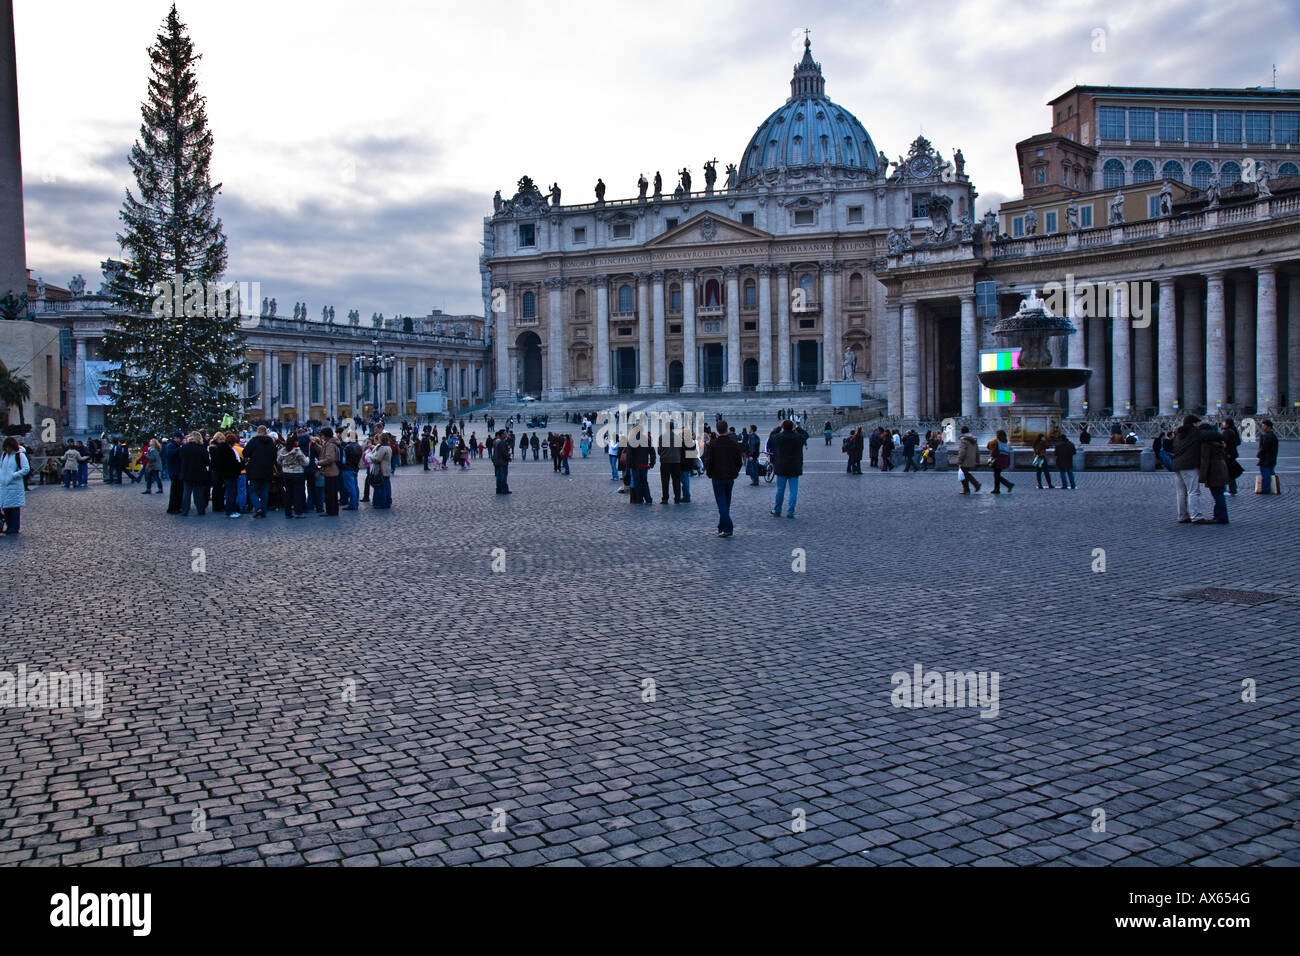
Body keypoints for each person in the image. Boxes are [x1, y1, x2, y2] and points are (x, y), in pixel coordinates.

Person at [702, 418, 743, 537]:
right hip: (730, 476)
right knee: (726, 502)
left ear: (717, 430)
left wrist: (709, 473)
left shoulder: (713, 444)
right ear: (727, 429)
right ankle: (721, 526)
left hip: (717, 476)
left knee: (721, 503)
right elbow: (739, 461)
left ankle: (728, 527)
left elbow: (708, 461)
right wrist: (735, 472)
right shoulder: (733, 443)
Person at [1171, 415, 1208, 523]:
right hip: (1189, 465)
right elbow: (1212, 435)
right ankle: (1196, 516)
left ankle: (1182, 516)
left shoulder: (1179, 434)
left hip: (1177, 465)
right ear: (1194, 423)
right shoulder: (1195, 433)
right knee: (1193, 491)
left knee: (1181, 493)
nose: (1199, 425)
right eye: (1198, 423)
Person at [768, 419, 804, 518]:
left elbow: (771, 435)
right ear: (792, 426)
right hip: (795, 466)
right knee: (793, 491)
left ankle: (777, 510)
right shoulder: (798, 437)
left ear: (783, 427)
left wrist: (779, 426)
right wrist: (796, 427)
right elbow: (806, 435)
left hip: (782, 466)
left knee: (780, 490)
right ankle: (790, 512)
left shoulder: (779, 437)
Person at [243, 425, 277, 518]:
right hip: (267, 470)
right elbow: (275, 456)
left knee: (252, 490)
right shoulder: (271, 442)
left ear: (258, 431)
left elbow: (245, 452)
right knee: (264, 491)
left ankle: (258, 507)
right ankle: (264, 512)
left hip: (255, 469)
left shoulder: (253, 441)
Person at [1200, 425, 1230, 523]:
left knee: (1217, 495)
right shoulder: (1219, 443)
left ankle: (1221, 517)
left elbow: (1205, 460)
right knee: (1219, 493)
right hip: (1222, 468)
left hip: (1213, 470)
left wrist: (1202, 477)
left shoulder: (1207, 444)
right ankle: (1218, 515)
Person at [0, 437, 31, 534]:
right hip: (4, 485)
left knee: (14, 508)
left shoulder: (20, 455)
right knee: (6, 508)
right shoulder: (4, 455)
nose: (7, 449)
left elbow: (26, 469)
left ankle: (14, 527)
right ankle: (9, 526)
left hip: (15, 485)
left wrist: (14, 475)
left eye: (8, 447)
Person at [209, 431, 243, 518]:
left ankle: (228, 509)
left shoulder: (220, 449)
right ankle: (230, 510)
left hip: (225, 474)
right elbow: (233, 463)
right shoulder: (227, 450)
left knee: (229, 492)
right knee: (231, 493)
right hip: (230, 474)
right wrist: (241, 465)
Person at [179, 432, 211, 516]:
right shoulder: (202, 449)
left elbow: (181, 458)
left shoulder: (184, 448)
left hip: (187, 473)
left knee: (186, 493)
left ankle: (185, 510)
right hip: (199, 473)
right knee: (199, 493)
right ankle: (200, 510)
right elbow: (207, 462)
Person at [625, 421, 656, 504]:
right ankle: (648, 499)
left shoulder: (631, 440)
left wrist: (628, 467)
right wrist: (652, 464)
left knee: (637, 483)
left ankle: (639, 499)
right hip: (644, 465)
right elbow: (653, 452)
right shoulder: (647, 440)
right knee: (644, 482)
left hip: (635, 465)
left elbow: (629, 455)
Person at [277, 438, 309, 518]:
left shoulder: (282, 451)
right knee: (298, 493)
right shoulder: (297, 451)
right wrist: (308, 459)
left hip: (286, 473)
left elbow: (278, 461)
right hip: (297, 473)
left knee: (288, 493)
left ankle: (288, 513)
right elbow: (305, 463)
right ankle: (298, 512)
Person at [319, 427, 342, 516]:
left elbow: (330, 458)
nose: (321, 437)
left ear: (325, 436)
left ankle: (331, 511)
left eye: (322, 435)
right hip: (331, 471)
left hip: (331, 471)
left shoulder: (330, 445)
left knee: (330, 493)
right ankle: (332, 510)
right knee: (331, 492)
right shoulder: (329, 444)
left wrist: (318, 463)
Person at [658, 421, 683, 504]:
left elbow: (659, 450)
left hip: (665, 461)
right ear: (673, 427)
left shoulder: (661, 437)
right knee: (676, 480)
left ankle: (665, 498)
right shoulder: (678, 437)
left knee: (665, 480)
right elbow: (681, 449)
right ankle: (677, 498)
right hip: (676, 461)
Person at [370, 433, 393, 508]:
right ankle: (387, 502)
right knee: (387, 487)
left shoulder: (382, 448)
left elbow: (378, 459)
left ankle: (381, 503)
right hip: (387, 469)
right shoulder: (389, 447)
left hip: (381, 470)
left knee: (381, 487)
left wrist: (371, 456)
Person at [956, 426, 982, 494]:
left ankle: (974, 485)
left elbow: (962, 452)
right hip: (971, 460)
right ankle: (969, 488)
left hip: (965, 460)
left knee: (963, 474)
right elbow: (977, 451)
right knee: (965, 473)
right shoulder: (973, 439)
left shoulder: (963, 440)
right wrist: (977, 460)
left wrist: (959, 460)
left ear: (962, 432)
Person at [987, 429, 1014, 494]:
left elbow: (988, 446)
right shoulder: (1005, 442)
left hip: (997, 460)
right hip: (1003, 461)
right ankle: (997, 488)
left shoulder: (996, 442)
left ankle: (1007, 485)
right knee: (997, 474)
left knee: (996, 475)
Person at [1257, 419, 1278, 493]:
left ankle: (1265, 489)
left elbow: (1264, 448)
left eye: (1264, 426)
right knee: (1271, 474)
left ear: (1268, 427)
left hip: (1266, 459)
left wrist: (1258, 454)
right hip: (1271, 459)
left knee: (1266, 475)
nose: (1262, 427)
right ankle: (1273, 487)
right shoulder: (1273, 436)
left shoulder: (1267, 436)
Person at [1221, 419, 1241, 495]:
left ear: (1227, 424)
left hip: (1227, 454)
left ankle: (1226, 489)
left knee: (1227, 472)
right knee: (1230, 472)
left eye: (1224, 422)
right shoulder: (1233, 431)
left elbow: (1224, 444)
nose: (1223, 424)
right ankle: (1233, 489)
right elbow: (1238, 442)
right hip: (1232, 454)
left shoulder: (1227, 432)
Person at [679, 424, 698, 502]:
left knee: (684, 481)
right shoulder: (692, 443)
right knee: (686, 480)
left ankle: (686, 496)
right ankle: (686, 496)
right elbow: (693, 454)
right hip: (689, 463)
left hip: (683, 464)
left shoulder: (682, 443)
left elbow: (680, 454)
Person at [492, 428, 512, 494]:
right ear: (502, 434)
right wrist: (508, 457)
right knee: (503, 477)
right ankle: (504, 490)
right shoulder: (502, 442)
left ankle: (499, 489)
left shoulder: (496, 441)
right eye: (505, 433)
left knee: (498, 477)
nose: (506, 434)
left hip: (496, 462)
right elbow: (504, 453)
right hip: (502, 462)